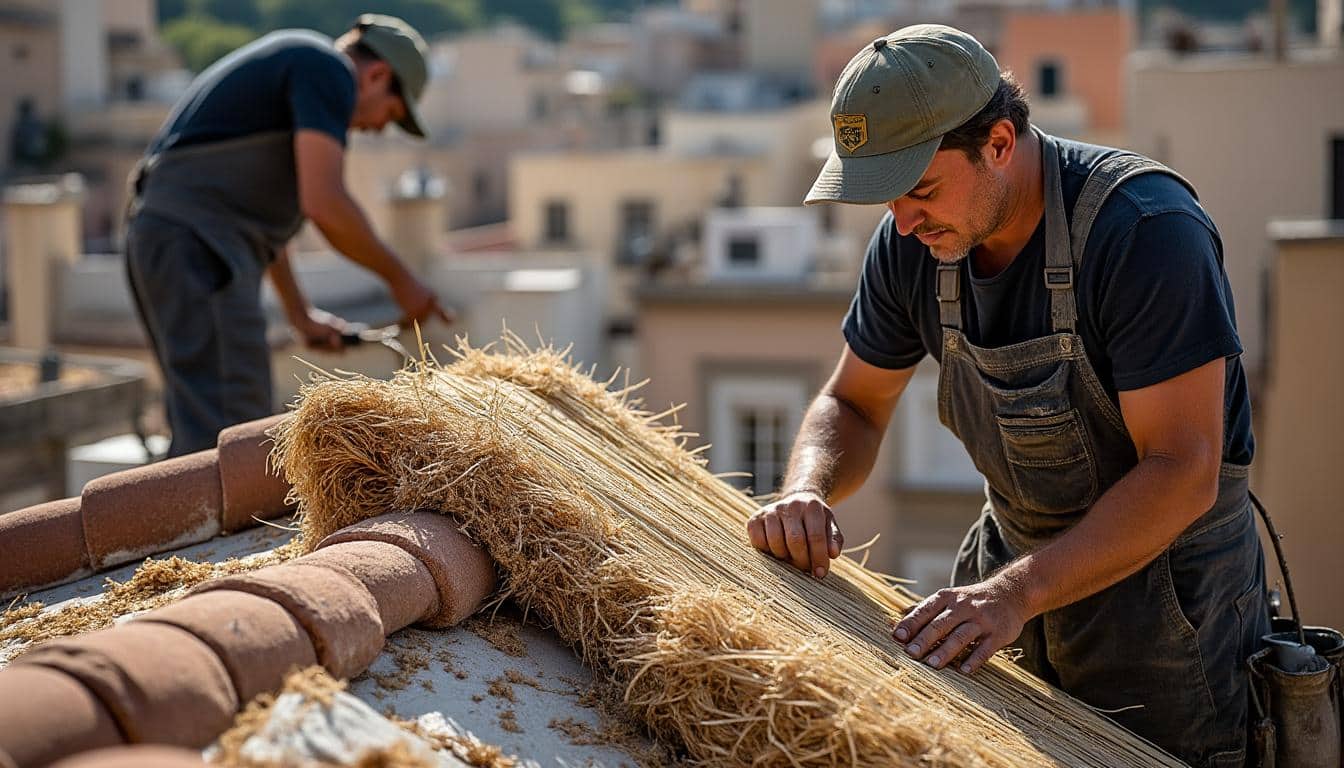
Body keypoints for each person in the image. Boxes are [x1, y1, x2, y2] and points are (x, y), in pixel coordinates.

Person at [745, 24, 1268, 768]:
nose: (902, 223)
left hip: (1171, 619)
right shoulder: (913, 242)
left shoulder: (1146, 234)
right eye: (885, 198)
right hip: (1008, 591)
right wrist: (806, 489)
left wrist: (1013, 596)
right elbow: (853, 406)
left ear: (998, 141)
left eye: (920, 189)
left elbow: (1182, 470)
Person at [125, 14, 452, 457]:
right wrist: (402, 281)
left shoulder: (300, 71)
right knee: (228, 437)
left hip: (177, 241)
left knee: (210, 423)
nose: (377, 128)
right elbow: (326, 203)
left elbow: (261, 218)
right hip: (197, 245)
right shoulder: (326, 69)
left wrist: (300, 314)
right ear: (377, 75)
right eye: (391, 113)